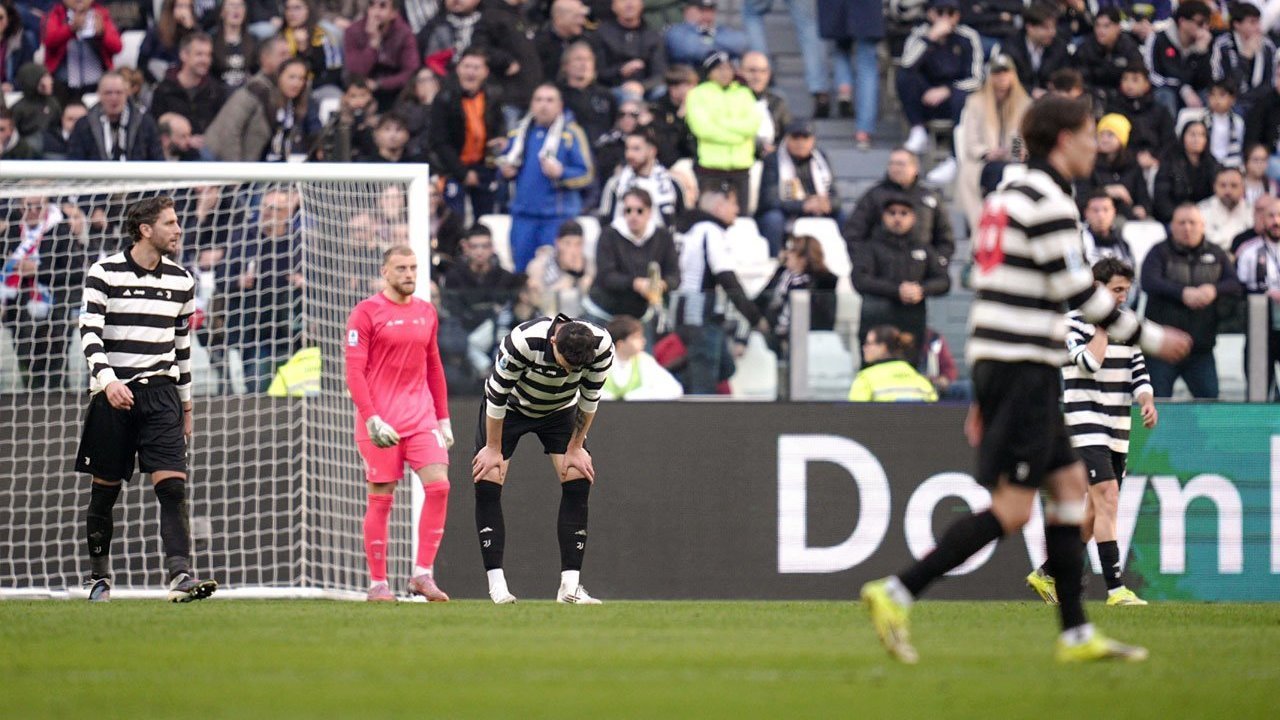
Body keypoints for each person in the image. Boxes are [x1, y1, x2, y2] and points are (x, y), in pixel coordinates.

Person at [861, 95, 1192, 665]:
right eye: (1089, 134)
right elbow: (1083, 296)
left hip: (1006, 361)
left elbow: (998, 282)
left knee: (1067, 493)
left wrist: (984, 371)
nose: (1096, 145)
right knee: (1015, 510)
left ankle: (1075, 634)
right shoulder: (1050, 200)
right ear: (1064, 140)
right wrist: (1158, 339)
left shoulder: (1009, 192)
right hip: (1021, 366)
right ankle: (896, 591)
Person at [75, 196, 216, 604]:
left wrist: (186, 404)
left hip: (161, 394)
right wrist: (107, 380)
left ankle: (180, 575)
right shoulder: (104, 272)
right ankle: (98, 579)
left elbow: (182, 346)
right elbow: (89, 333)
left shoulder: (182, 281)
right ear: (145, 230)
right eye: (170, 223)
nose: (178, 229)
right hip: (113, 394)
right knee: (105, 492)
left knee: (172, 487)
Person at [1025, 258, 1155, 607]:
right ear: (1096, 290)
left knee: (1096, 511)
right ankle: (1115, 590)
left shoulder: (1129, 326)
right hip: (1084, 424)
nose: (1122, 299)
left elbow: (1139, 372)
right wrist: (1101, 325)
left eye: (1126, 291)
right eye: (1115, 291)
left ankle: (1047, 572)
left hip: (1117, 426)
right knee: (1107, 496)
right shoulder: (1068, 324)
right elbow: (1087, 363)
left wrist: (1146, 400)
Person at [472, 313, 614, 605]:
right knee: (489, 478)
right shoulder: (522, 341)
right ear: (553, 342)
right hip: (510, 408)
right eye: (566, 365)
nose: (569, 372)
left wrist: (576, 447)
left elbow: (590, 397)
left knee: (577, 477)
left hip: (561, 410)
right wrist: (494, 448)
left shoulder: (601, 345)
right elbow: (497, 395)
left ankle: (570, 587)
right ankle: (497, 585)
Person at [344, 245, 453, 603]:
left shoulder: (426, 312)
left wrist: (443, 418)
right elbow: (354, 371)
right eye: (401, 268)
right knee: (381, 498)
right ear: (385, 272)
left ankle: (422, 575)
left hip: (421, 418)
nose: (409, 274)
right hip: (381, 423)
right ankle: (378, 583)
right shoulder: (366, 313)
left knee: (439, 487)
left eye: (413, 268)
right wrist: (371, 418)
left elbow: (434, 366)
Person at [672, 186, 769, 394]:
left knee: (723, 366)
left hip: (680, 310)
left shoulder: (685, 230)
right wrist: (753, 316)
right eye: (733, 203)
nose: (737, 209)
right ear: (719, 206)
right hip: (700, 314)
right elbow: (727, 278)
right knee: (704, 380)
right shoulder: (710, 230)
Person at [1141, 203, 1242, 398]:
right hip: (1162, 349)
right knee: (1155, 407)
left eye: (1192, 223)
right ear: (1172, 226)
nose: (1187, 227)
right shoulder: (1158, 252)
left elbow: (1234, 284)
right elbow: (1148, 281)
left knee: (1209, 407)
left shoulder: (1216, 253)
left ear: (1203, 225)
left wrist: (1214, 289)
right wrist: (1182, 293)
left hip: (1201, 349)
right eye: (1181, 223)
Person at [497, 82, 594, 273]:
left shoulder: (571, 134)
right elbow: (502, 166)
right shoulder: (518, 133)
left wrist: (562, 173)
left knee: (555, 273)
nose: (544, 105)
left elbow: (587, 174)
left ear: (560, 105)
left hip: (557, 218)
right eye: (539, 100)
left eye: (550, 100)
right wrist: (504, 172)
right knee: (522, 273)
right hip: (523, 216)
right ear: (532, 105)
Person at [851, 195, 949, 359]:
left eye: (904, 213)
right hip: (876, 319)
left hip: (911, 320)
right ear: (883, 216)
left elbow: (944, 281)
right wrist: (897, 290)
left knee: (909, 367)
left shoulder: (923, 249)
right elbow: (860, 279)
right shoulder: (870, 247)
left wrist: (921, 290)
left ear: (913, 217)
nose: (897, 218)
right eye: (892, 213)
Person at [226, 190, 303, 393]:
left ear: (287, 213)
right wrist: (238, 281)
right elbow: (221, 277)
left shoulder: (298, 242)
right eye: (264, 208)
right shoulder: (243, 237)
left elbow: (319, 278)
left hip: (290, 331)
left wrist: (303, 281)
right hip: (253, 329)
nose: (267, 213)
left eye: (274, 209)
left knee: (293, 397)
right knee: (258, 391)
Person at [955, 53, 1031, 230]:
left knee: (1013, 172)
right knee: (983, 175)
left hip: (1014, 162)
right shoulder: (976, 102)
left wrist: (1018, 151)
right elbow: (970, 139)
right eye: (997, 73)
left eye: (1006, 72)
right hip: (983, 161)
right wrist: (987, 152)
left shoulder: (1024, 103)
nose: (1002, 77)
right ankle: (984, 227)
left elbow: (1023, 136)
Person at [897, 0, 983, 155]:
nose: (945, 18)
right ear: (930, 13)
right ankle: (918, 130)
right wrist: (931, 37)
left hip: (954, 94)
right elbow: (907, 63)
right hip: (925, 95)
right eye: (940, 12)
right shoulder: (920, 33)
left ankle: (954, 154)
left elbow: (976, 79)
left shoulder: (968, 36)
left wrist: (947, 90)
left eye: (951, 13)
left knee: (963, 97)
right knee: (904, 76)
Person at [429, 47, 506, 218]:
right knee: (454, 218)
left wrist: (501, 141)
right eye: (467, 66)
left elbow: (499, 127)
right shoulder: (445, 98)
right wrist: (463, 173)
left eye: (476, 68)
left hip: (483, 167)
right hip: (452, 169)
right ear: (458, 69)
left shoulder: (493, 96)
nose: (471, 72)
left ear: (485, 72)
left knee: (487, 218)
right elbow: (439, 142)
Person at [586, 187, 680, 327]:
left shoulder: (663, 236)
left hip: (640, 316)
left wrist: (660, 284)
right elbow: (607, 276)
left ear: (649, 212)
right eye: (628, 210)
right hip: (604, 312)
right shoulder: (609, 235)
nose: (633, 215)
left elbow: (674, 275)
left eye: (639, 210)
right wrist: (637, 284)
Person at [845, 148, 956, 266]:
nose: (895, 168)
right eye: (891, 163)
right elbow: (854, 233)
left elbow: (945, 238)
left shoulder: (930, 198)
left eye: (901, 164)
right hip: (881, 272)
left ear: (915, 168)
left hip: (921, 271)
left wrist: (936, 265)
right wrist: (865, 263)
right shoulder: (873, 196)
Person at [684, 52, 758, 204]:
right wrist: (737, 135)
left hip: (741, 167)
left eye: (728, 68)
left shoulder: (744, 93)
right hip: (710, 167)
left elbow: (752, 125)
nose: (725, 73)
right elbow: (702, 129)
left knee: (740, 217)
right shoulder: (697, 94)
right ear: (709, 72)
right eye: (719, 69)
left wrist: (720, 122)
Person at [757, 119, 839, 255]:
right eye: (795, 137)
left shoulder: (821, 158)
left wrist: (827, 203)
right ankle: (774, 260)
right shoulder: (774, 160)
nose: (800, 143)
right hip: (786, 212)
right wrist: (803, 205)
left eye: (805, 137)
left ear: (813, 140)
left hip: (816, 209)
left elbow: (835, 195)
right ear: (787, 139)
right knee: (773, 219)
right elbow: (769, 199)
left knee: (842, 217)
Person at [204, 56, 310, 161]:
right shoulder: (256, 92)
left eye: (301, 78)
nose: (296, 83)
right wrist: (236, 170)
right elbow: (230, 130)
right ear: (279, 76)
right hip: (217, 156)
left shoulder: (294, 107)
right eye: (291, 77)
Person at [818, 0, 883, 147]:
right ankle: (864, 130)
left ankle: (844, 87)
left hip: (836, 6)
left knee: (841, 49)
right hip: (867, 8)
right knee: (867, 65)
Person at [757, 233, 837, 352]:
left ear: (804, 258)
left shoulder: (824, 283)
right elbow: (761, 300)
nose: (787, 254)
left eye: (792, 251)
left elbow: (821, 320)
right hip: (774, 334)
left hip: (808, 341)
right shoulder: (781, 275)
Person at [1234, 203, 1280, 399]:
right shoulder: (1248, 250)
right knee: (1258, 389)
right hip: (1261, 328)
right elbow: (1239, 288)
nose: (1276, 221)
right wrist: (1267, 294)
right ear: (1262, 219)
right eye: (1271, 215)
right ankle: (1258, 428)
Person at [149, 32, 229, 140]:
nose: (205, 60)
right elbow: (156, 131)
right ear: (184, 55)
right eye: (199, 54)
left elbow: (223, 130)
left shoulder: (216, 91)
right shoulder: (163, 90)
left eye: (208, 55)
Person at [599, 128, 686, 228]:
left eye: (636, 149)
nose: (629, 154)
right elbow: (605, 222)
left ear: (652, 151)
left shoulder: (672, 184)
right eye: (627, 149)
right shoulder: (615, 184)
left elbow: (682, 221)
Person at [343, 0, 421, 111]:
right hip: (362, 91)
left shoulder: (404, 33)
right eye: (371, 5)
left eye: (382, 6)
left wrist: (380, 84)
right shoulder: (353, 31)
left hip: (395, 92)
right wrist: (373, 44)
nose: (375, 12)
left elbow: (411, 71)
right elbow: (355, 72)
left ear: (394, 12)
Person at [67, 72, 164, 161]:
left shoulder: (145, 123)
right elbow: (74, 160)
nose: (114, 98)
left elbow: (158, 159)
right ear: (99, 94)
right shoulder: (84, 125)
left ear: (127, 94)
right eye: (108, 93)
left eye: (119, 92)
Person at [43, 0, 123, 103]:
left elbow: (117, 47)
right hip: (62, 83)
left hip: (97, 82)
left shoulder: (101, 14)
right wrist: (70, 30)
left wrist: (102, 35)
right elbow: (49, 42)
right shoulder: (55, 14)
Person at [1149, 1, 1213, 117]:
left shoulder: (1205, 43)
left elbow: (1204, 82)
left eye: (1207, 23)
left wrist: (1201, 53)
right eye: (1200, 23)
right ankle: (1169, 134)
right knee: (1165, 95)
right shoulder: (1160, 39)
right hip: (1164, 89)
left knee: (1212, 97)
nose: (1205, 28)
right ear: (1182, 21)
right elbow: (1153, 75)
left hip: (1193, 93)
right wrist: (1183, 89)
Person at [1153, 115, 1220, 223]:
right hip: (1173, 218)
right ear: (1183, 137)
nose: (1196, 139)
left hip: (1206, 219)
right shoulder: (1169, 163)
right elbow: (1162, 198)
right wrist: (1178, 216)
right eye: (1192, 134)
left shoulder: (1213, 164)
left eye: (1201, 135)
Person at [594, 0, 666, 98]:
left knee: (661, 90)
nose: (629, 4)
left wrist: (642, 86)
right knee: (631, 95)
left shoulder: (652, 35)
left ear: (641, 4)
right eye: (623, 1)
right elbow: (599, 72)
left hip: (645, 87)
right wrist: (621, 70)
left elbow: (659, 74)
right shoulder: (602, 34)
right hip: (613, 88)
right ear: (613, 6)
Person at [601, 314, 683, 400]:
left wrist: (636, 396)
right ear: (620, 344)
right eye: (636, 337)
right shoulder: (598, 362)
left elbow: (675, 389)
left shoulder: (645, 361)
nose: (643, 341)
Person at [1072, 7, 1144, 102]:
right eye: (1097, 26)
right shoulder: (1085, 48)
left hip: (1123, 97)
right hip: (1093, 95)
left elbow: (1137, 74)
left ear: (1118, 27)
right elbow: (1080, 79)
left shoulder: (1129, 47)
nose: (1101, 31)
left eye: (1106, 26)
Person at [848, 325, 938, 402]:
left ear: (883, 347)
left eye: (868, 343)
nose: (864, 348)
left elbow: (853, 416)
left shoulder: (866, 379)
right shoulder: (919, 379)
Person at [1210, 2, 1274, 109]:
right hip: (1231, 103)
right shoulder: (1223, 45)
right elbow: (1220, 82)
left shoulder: (1267, 46)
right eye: (1252, 22)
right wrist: (1244, 58)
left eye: (1258, 22)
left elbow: (1270, 83)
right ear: (1237, 24)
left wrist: (1251, 97)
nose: (1258, 27)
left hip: (1259, 103)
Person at [999, 2, 1070, 99]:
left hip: (1050, 101)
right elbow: (1005, 81)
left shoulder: (1059, 47)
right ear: (1030, 27)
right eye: (1046, 28)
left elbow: (1064, 76)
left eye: (1053, 27)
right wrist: (1031, 91)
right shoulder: (1011, 47)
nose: (1052, 32)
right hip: (1017, 99)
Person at [526, 220, 594, 314]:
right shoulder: (540, 265)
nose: (573, 250)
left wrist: (579, 275)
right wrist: (568, 276)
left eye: (578, 244)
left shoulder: (590, 266)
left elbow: (590, 304)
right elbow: (538, 303)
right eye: (567, 243)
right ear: (558, 243)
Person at [664, 0, 748, 68]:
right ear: (687, 11)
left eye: (711, 10)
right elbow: (690, 49)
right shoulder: (676, 30)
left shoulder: (720, 30)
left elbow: (740, 43)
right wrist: (719, 50)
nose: (707, 16)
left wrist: (707, 37)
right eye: (702, 10)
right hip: (689, 81)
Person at [1198, 166, 1253, 253]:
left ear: (1243, 189)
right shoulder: (1201, 211)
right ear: (1215, 187)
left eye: (1234, 186)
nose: (1228, 191)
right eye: (1223, 185)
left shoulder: (1252, 211)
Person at [212, 0, 258, 90]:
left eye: (240, 5)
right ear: (221, 12)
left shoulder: (254, 41)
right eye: (232, 5)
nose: (236, 9)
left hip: (245, 94)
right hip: (218, 94)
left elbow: (257, 71)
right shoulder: (212, 40)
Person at [1080, 191, 1134, 266]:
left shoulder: (1124, 244)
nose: (1101, 216)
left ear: (1114, 212)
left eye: (1106, 209)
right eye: (1095, 210)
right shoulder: (1078, 241)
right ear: (1086, 213)